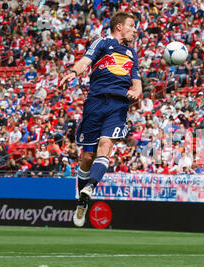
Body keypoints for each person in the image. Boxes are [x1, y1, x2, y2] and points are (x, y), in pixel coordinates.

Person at [59, 11, 142, 227]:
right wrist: (73, 72)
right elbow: (85, 61)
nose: (135, 30)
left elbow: (137, 84)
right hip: (95, 102)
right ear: (119, 27)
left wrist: (136, 92)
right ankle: (82, 201)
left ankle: (91, 186)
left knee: (106, 145)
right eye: (131, 25)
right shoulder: (103, 43)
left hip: (118, 105)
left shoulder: (133, 54)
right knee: (87, 156)